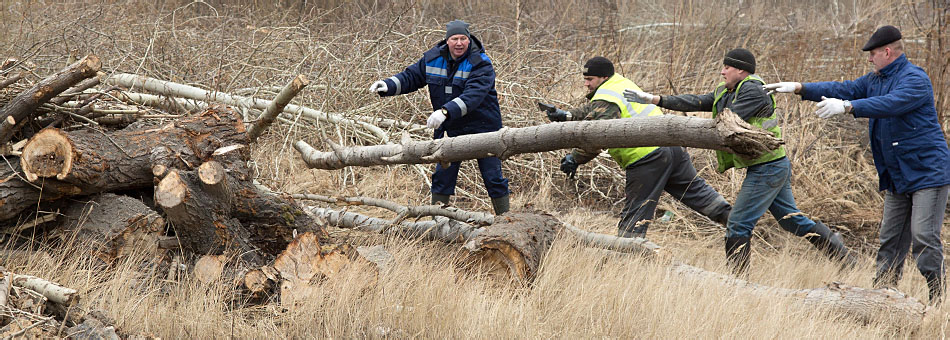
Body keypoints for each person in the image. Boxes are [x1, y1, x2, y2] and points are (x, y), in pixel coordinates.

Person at [624, 48, 857, 274]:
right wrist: (655, 99)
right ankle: (844, 257)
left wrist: (688, 127)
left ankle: (738, 282)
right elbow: (697, 101)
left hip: (767, 167)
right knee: (792, 222)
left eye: (727, 67)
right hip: (771, 165)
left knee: (738, 224)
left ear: (741, 71)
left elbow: (728, 121)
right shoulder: (728, 90)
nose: (722, 72)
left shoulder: (753, 91)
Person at [764, 25, 950, 304]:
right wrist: (799, 88)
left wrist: (849, 107)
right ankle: (881, 298)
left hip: (927, 173)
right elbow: (843, 88)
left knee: (923, 237)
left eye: (873, 54)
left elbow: (890, 103)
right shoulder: (875, 79)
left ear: (887, 52)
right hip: (897, 175)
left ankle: (939, 299)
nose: (869, 59)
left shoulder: (915, 79)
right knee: (890, 239)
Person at [537, 56, 732, 239]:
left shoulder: (606, 96)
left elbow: (598, 135)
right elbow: (594, 111)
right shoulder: (620, 84)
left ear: (603, 77)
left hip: (647, 156)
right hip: (673, 148)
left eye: (590, 79)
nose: (586, 83)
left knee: (636, 214)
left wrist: (575, 158)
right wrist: (567, 116)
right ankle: (736, 221)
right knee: (699, 194)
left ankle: (628, 257)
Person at [369, 20, 510, 215]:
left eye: (463, 39)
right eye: (455, 39)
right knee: (443, 177)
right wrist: (388, 85)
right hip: (451, 129)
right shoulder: (433, 59)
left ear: (469, 40)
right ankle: (439, 222)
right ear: (447, 40)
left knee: (493, 177)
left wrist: (445, 111)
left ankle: (506, 220)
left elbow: (473, 96)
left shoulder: (481, 63)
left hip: (484, 128)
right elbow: (411, 76)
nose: (459, 43)